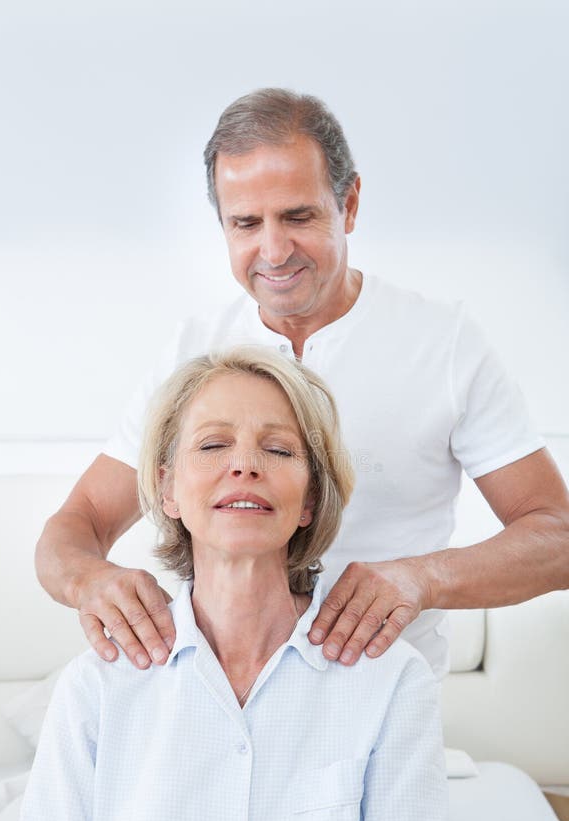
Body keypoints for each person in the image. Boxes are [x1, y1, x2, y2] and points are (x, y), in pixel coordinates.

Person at [35, 88, 569, 678]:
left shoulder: (442, 345)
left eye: (298, 216)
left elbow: (558, 537)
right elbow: (75, 524)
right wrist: (91, 579)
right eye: (245, 223)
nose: (274, 250)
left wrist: (421, 578)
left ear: (350, 204)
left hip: (384, 707)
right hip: (218, 699)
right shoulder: (192, 352)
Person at [0, 349, 452, 821]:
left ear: (310, 497)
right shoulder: (96, 687)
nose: (244, 466)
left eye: (279, 449)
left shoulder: (392, 682)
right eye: (213, 445)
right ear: (167, 491)